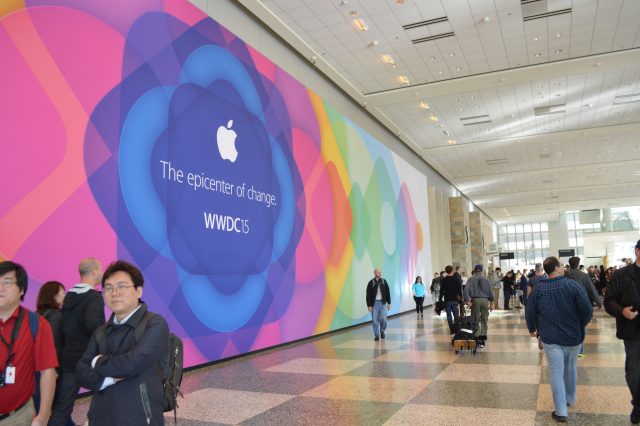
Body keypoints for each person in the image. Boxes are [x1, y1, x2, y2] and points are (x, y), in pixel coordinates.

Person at [76, 260, 169, 426]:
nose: (114, 293)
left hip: (140, 418)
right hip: (101, 418)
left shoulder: (154, 324)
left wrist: (97, 361)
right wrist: (109, 379)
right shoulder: (102, 331)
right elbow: (81, 371)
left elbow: (131, 364)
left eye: (122, 286)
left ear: (138, 290)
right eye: (109, 288)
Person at [526, 257, 592, 423]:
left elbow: (530, 310)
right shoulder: (572, 285)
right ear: (555, 268)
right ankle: (569, 398)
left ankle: (561, 410)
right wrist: (581, 324)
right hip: (573, 337)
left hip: (550, 337)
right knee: (570, 368)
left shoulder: (539, 288)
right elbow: (586, 309)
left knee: (556, 372)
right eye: (562, 265)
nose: (564, 268)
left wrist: (531, 328)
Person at [0, 260, 58, 426]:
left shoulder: (37, 324)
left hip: (17, 417)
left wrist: (43, 416)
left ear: (22, 290)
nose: (0, 287)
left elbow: (48, 372)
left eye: (7, 282)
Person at [50, 258, 105, 426]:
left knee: (63, 407)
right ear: (94, 272)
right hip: (90, 360)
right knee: (103, 401)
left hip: (69, 358)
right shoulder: (94, 297)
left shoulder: (69, 296)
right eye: (100, 269)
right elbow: (94, 325)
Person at [604, 240, 640, 424]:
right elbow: (609, 300)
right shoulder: (622, 275)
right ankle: (638, 403)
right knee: (633, 371)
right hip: (632, 330)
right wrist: (622, 312)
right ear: (637, 251)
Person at [566, 256, 602, 357]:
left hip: (568, 305)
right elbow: (591, 289)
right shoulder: (584, 275)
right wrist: (599, 302)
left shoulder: (565, 275)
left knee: (569, 326)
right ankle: (580, 352)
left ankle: (570, 350)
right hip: (581, 305)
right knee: (581, 327)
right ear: (578, 264)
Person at [463, 264, 494, 347]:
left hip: (475, 300)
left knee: (475, 318)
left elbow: (466, 290)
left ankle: (476, 335)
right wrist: (491, 303)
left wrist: (468, 300)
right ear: (481, 270)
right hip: (485, 300)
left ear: (475, 270)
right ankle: (483, 335)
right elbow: (491, 292)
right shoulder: (486, 279)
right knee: (484, 318)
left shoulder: (471, 279)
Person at [365, 268, 391, 341]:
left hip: (382, 303)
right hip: (374, 304)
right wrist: (369, 305)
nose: (380, 273)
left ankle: (382, 331)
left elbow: (388, 292)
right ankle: (376, 334)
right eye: (378, 272)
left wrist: (389, 303)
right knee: (375, 320)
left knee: (384, 319)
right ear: (375, 273)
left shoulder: (384, 281)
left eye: (380, 272)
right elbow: (368, 295)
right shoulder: (371, 283)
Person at [439, 265, 462, 334]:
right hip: (455, 300)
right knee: (456, 315)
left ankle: (451, 329)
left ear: (446, 271)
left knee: (449, 316)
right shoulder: (456, 279)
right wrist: (460, 299)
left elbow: (441, 291)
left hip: (447, 300)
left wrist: (440, 299)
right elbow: (459, 290)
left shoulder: (444, 280)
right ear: (452, 271)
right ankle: (457, 329)